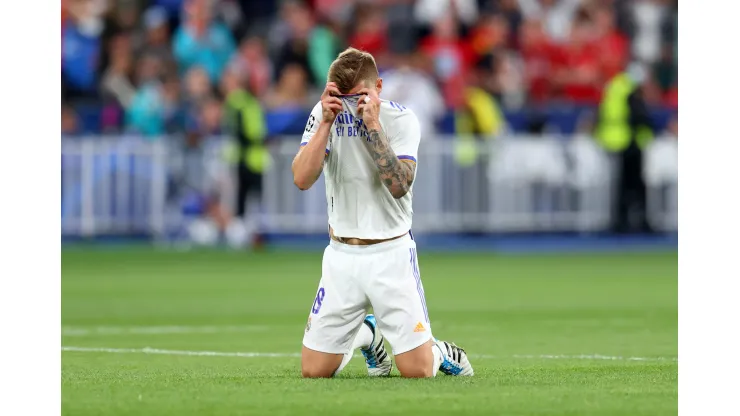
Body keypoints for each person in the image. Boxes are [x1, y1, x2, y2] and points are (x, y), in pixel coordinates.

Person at [292, 48, 474, 379]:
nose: (350, 105)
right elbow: (301, 178)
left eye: (359, 96)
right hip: (341, 255)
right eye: (343, 97)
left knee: (417, 371)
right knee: (314, 370)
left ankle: (441, 351)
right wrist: (325, 123)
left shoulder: (401, 119)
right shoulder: (324, 114)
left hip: (389, 254)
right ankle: (368, 335)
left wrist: (372, 124)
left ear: (378, 86)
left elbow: (399, 184)